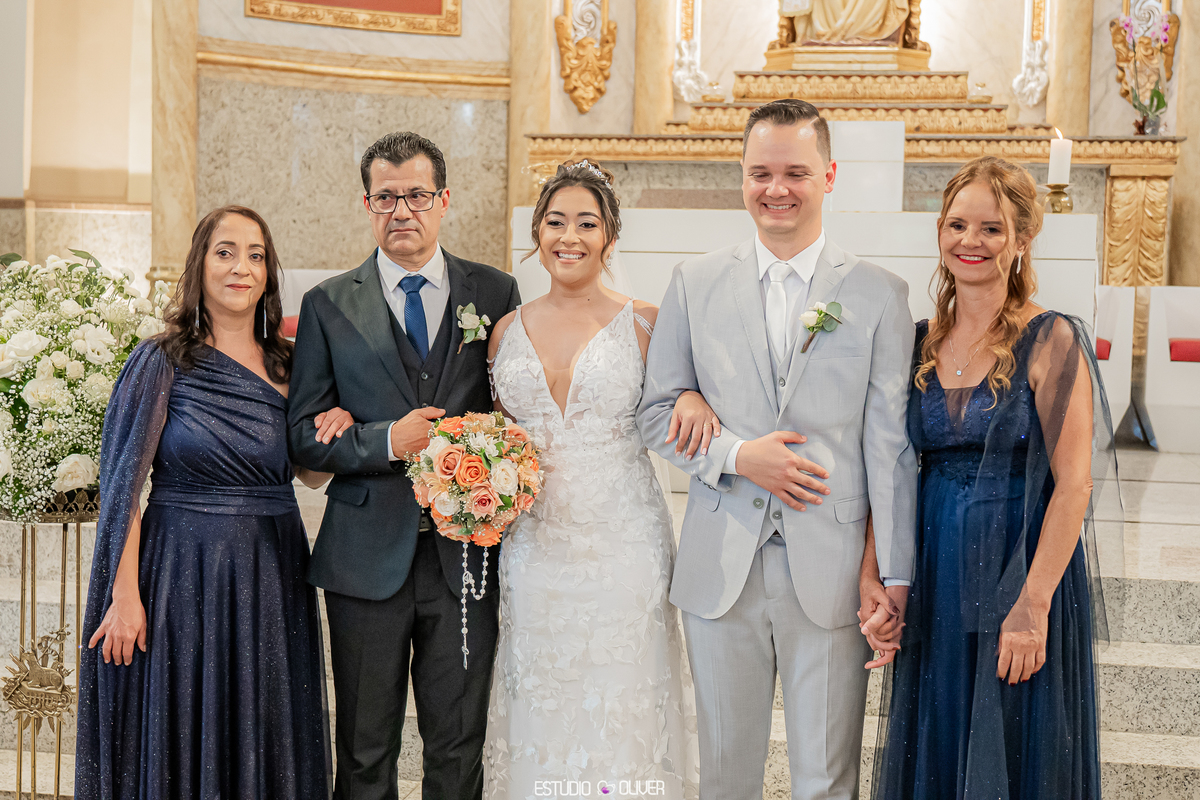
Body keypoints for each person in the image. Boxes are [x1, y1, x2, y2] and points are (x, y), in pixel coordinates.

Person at [636, 98, 918, 800]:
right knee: (725, 776)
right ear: (742, 176)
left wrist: (895, 574)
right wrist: (737, 456)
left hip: (832, 569)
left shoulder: (880, 295)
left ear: (829, 176)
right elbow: (655, 413)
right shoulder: (694, 283)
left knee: (826, 778)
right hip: (720, 563)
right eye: (760, 173)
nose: (776, 189)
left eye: (795, 172)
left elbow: (890, 448)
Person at [77, 205, 354, 799]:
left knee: (265, 725)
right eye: (225, 252)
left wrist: (332, 429)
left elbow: (306, 473)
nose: (240, 268)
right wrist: (124, 595)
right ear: (199, 264)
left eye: (256, 256)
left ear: (269, 272)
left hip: (272, 573)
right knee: (182, 725)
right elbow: (124, 489)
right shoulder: (161, 360)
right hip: (180, 573)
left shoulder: (292, 364)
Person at [866, 156, 1116, 799]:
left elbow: (1075, 485)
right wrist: (881, 574)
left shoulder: (1051, 338)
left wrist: (1033, 606)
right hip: (938, 571)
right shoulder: (917, 341)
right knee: (943, 736)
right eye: (957, 225)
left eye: (991, 228)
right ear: (940, 232)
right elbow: (892, 472)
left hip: (1018, 566)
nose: (969, 241)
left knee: (1013, 744)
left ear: (1023, 238)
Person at [287, 131, 521, 800]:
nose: (401, 211)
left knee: (457, 747)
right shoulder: (330, 304)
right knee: (365, 752)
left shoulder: (495, 291)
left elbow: (513, 412)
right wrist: (387, 439)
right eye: (385, 197)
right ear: (367, 205)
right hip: (364, 560)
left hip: (465, 559)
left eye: (416, 195)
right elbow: (304, 438)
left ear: (443, 200)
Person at [484, 159, 710, 798]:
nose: (569, 237)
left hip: (624, 545)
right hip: (533, 548)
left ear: (610, 235)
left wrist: (693, 397)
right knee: (540, 696)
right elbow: (498, 436)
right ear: (537, 232)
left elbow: (682, 401)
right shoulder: (504, 333)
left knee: (623, 697)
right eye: (555, 222)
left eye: (586, 223)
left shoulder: (647, 321)